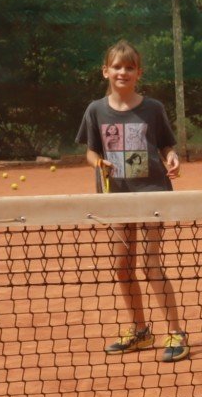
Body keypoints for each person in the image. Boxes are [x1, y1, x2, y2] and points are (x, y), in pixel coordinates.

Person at [77, 40, 189, 362]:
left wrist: (173, 158)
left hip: (152, 194)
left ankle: (176, 333)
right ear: (105, 71)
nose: (122, 72)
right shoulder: (95, 110)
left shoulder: (153, 109)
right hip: (115, 198)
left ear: (138, 72)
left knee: (150, 263)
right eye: (116, 66)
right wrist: (98, 164)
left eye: (129, 67)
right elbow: (91, 151)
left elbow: (166, 145)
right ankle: (140, 330)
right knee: (122, 267)